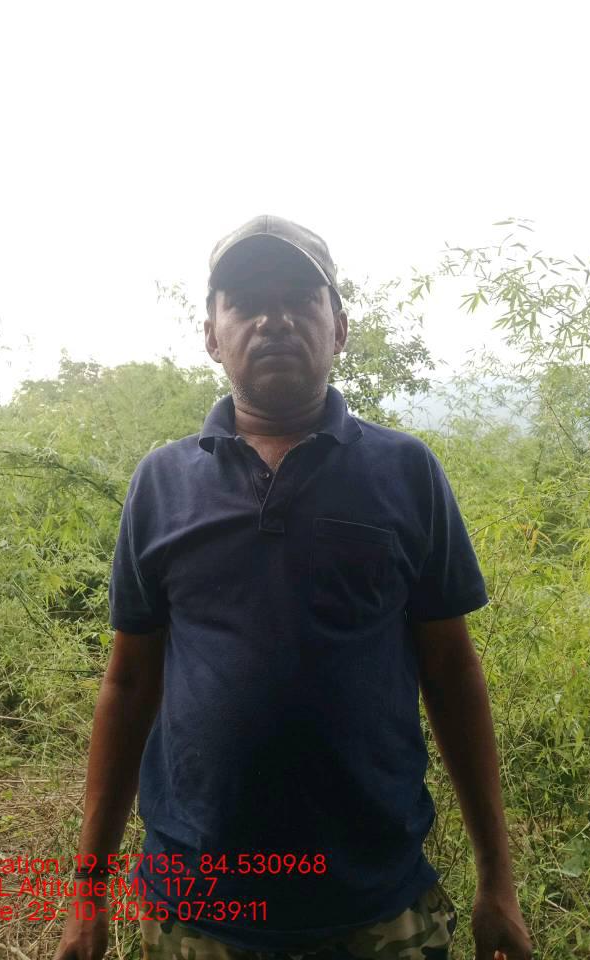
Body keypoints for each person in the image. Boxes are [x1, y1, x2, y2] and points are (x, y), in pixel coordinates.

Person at [53, 215, 534, 960]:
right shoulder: (162, 483)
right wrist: (87, 899)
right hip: (195, 911)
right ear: (211, 335)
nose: (273, 319)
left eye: (299, 299)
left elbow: (451, 671)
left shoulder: (406, 472)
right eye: (246, 302)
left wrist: (497, 882)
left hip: (379, 907)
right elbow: (129, 682)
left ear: (338, 327)